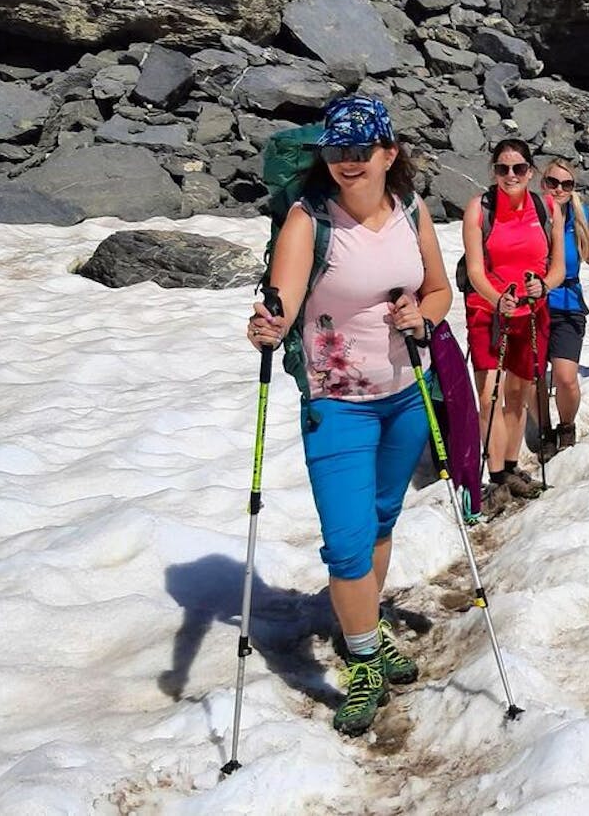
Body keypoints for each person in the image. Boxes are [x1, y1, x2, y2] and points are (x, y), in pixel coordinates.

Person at [245, 96, 449, 736]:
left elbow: (439, 290)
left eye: (362, 149)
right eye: (337, 149)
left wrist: (424, 315)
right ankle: (362, 658)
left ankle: (364, 626)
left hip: (407, 391)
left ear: (390, 153)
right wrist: (268, 324)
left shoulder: (412, 211)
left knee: (382, 519)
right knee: (347, 538)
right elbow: (283, 296)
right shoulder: (308, 219)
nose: (348, 161)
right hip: (336, 401)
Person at [462, 139, 566, 507]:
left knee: (519, 394)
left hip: (531, 312)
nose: (511, 175)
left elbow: (558, 267)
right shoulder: (480, 208)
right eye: (502, 168)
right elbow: (475, 270)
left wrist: (544, 287)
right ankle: (495, 477)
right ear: (494, 171)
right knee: (490, 394)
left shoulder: (547, 208)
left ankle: (509, 467)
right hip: (487, 312)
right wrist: (497, 299)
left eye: (518, 168)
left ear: (530, 172)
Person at [541, 156, 589, 451]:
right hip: (533, 304)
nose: (559, 189)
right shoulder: (532, 213)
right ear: (542, 183)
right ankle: (544, 431)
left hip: (568, 304)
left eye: (567, 184)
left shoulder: (581, 213)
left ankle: (566, 426)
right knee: (534, 377)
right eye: (553, 182)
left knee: (565, 378)